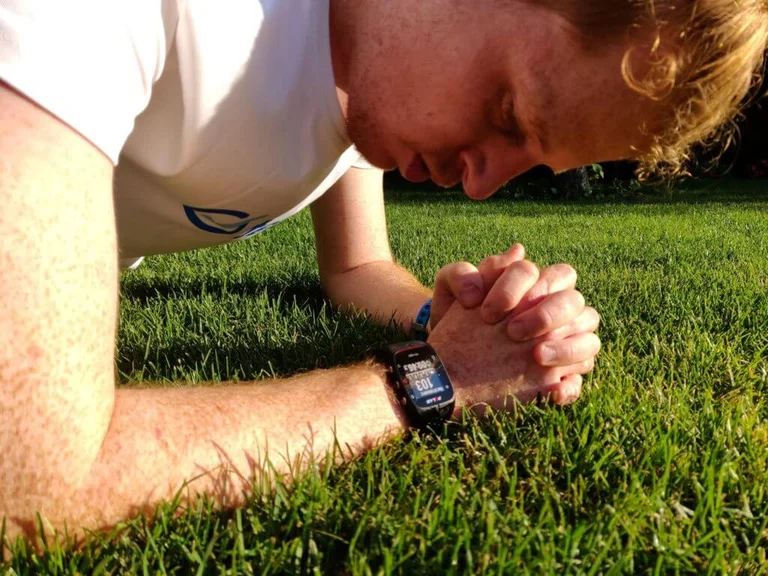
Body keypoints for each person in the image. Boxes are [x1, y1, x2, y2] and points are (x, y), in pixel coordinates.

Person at [0, 0, 764, 549]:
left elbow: (359, 266)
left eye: (532, 160)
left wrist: (462, 322)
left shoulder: (367, 64)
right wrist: (431, 382)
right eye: (506, 114)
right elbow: (34, 484)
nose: (480, 184)